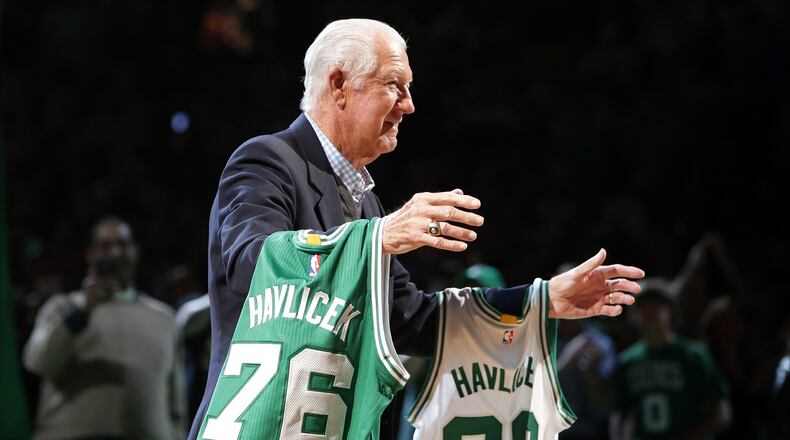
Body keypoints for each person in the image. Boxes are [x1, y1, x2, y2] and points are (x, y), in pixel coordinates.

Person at [191, 18, 644, 440]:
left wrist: (538, 301)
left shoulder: (365, 203)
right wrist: (379, 237)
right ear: (339, 85)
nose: (408, 105)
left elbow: (413, 319)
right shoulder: (267, 160)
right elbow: (251, 261)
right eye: (394, 85)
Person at [22, 216, 186, 440]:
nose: (116, 253)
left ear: (135, 252)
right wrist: (83, 310)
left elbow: (177, 403)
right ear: (90, 254)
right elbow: (39, 361)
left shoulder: (164, 318)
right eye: (106, 246)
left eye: (123, 245)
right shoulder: (62, 307)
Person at [610, 278, 731, 440]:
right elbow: (621, 414)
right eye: (643, 308)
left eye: (656, 306)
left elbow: (721, 413)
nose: (649, 313)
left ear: (670, 311)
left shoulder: (693, 356)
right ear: (633, 315)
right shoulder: (627, 362)